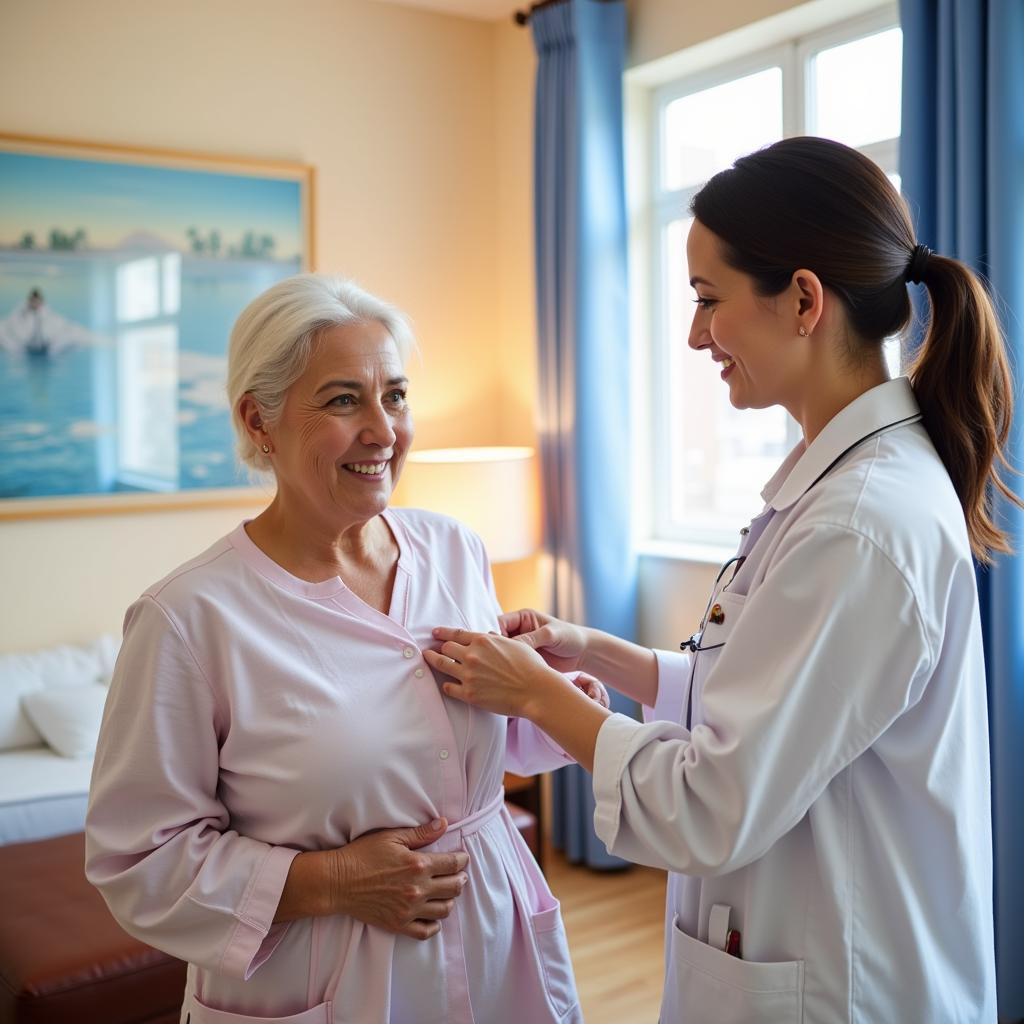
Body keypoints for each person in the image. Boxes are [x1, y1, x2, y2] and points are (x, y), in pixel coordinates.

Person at [426, 137, 1018, 1023]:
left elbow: (712, 804)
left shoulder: (858, 523)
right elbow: (765, 691)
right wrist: (598, 654)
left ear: (805, 300)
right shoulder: (839, 486)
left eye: (709, 301)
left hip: (842, 985)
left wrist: (546, 698)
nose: (696, 335)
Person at [85, 274, 603, 1023]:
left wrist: (548, 703)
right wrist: (329, 882)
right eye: (341, 399)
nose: (383, 429)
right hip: (322, 976)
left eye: (394, 395)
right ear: (257, 422)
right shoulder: (188, 618)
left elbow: (449, 747)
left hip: (496, 938)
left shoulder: (453, 549)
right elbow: (138, 861)